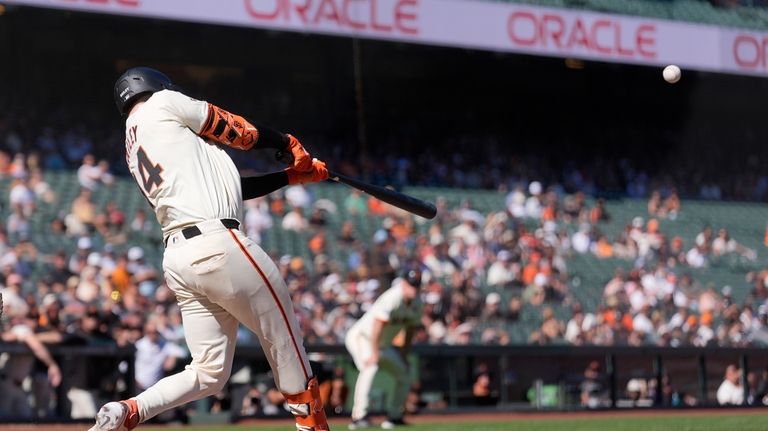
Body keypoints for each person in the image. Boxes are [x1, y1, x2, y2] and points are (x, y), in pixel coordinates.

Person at [89, 67, 330, 431]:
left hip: (180, 258)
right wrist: (286, 142)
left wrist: (289, 176)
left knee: (207, 372)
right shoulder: (164, 102)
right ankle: (313, 427)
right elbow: (240, 131)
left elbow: (235, 190)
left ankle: (130, 411)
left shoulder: (135, 142)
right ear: (153, 87)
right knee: (286, 342)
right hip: (218, 244)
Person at [345, 264, 423, 430]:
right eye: (411, 284)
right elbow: (377, 327)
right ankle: (359, 416)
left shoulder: (417, 303)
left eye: (416, 284)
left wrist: (404, 355)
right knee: (370, 367)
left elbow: (409, 331)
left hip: (381, 344)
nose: (414, 288)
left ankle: (394, 416)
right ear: (403, 283)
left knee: (404, 372)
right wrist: (374, 353)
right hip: (363, 337)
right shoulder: (393, 297)